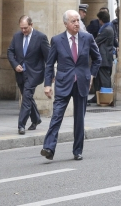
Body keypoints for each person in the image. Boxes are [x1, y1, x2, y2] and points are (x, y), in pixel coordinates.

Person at [40, 10, 101, 161]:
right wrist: (47, 84)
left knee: (79, 119)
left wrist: (91, 75)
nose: (76, 24)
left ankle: (77, 150)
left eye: (78, 20)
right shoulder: (57, 40)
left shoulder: (87, 38)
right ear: (65, 24)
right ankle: (49, 147)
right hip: (63, 83)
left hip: (82, 82)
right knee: (57, 116)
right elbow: (49, 64)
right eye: (73, 21)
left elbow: (97, 58)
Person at [7, 15, 50, 135]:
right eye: (21, 28)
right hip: (20, 73)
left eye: (25, 28)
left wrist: (50, 75)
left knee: (26, 97)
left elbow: (49, 58)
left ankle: (21, 125)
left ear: (31, 25)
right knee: (28, 97)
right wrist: (15, 65)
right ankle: (36, 119)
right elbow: (10, 51)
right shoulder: (17, 36)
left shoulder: (41, 37)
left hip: (34, 73)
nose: (23, 30)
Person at [90, 10, 114, 103]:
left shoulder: (106, 29)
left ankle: (107, 98)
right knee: (98, 79)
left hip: (104, 58)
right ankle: (98, 97)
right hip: (103, 57)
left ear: (101, 20)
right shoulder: (107, 27)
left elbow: (96, 41)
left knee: (104, 79)